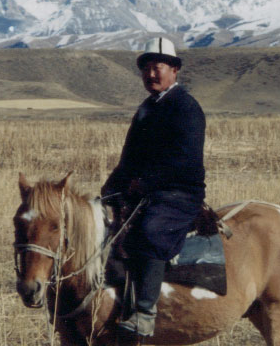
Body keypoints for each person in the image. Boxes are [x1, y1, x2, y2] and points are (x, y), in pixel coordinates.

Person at [101, 37, 206, 337]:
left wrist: (145, 183)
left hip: (179, 194)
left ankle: (144, 313)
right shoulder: (147, 107)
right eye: (146, 69)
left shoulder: (186, 107)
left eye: (157, 67)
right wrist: (109, 190)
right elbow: (129, 157)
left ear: (174, 70)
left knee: (150, 231)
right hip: (146, 191)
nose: (151, 75)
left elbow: (184, 161)